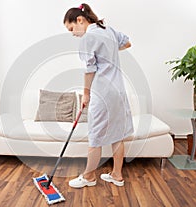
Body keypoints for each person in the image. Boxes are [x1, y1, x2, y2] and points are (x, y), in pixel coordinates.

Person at [63, 3, 134, 188]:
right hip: (118, 91)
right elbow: (127, 42)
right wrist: (108, 53)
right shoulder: (108, 30)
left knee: (95, 135)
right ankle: (117, 175)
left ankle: (88, 177)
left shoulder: (88, 37)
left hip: (102, 92)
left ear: (80, 20)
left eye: (72, 28)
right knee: (117, 135)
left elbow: (89, 70)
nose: (73, 33)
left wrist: (85, 94)